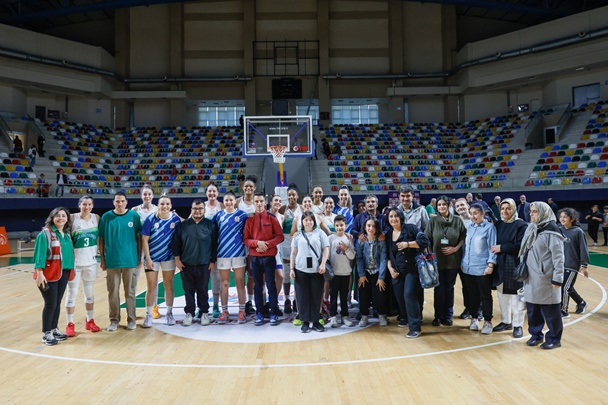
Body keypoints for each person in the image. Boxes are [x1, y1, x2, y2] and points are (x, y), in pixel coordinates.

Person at [519, 202, 565, 350]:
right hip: (530, 276)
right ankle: (536, 335)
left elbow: (559, 258)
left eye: (535, 211)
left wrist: (558, 278)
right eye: (531, 211)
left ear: (543, 213)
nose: (531, 214)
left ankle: (554, 339)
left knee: (550, 310)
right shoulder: (531, 228)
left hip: (546, 278)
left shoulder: (552, 231)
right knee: (533, 309)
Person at [98, 192, 142, 331]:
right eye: (117, 201)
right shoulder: (106, 217)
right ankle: (114, 320)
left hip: (130, 260)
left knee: (130, 292)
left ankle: (131, 320)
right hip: (112, 261)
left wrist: (139, 258)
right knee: (113, 292)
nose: (120, 204)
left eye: (122, 201)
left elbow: (139, 238)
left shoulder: (134, 216)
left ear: (126, 202)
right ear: (113, 202)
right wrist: (102, 259)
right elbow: (101, 239)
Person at [172, 200, 218, 326]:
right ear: (191, 210)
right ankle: (189, 313)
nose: (197, 211)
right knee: (188, 290)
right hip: (186, 264)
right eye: (195, 208)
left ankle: (204, 313)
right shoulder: (182, 226)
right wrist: (177, 260)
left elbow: (214, 245)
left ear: (204, 210)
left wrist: (212, 261)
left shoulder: (210, 225)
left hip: (204, 264)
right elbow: (176, 244)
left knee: (203, 290)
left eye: (200, 208)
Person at [34, 207, 74, 345]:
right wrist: (39, 273)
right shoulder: (45, 234)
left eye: (63, 216)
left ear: (67, 219)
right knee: (50, 304)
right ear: (52, 218)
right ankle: (47, 333)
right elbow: (39, 255)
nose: (61, 218)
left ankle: (54, 328)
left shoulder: (66, 234)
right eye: (57, 215)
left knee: (57, 302)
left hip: (63, 272)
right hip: (48, 274)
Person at [244, 193, 285, 326]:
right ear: (254, 203)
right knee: (258, 286)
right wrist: (257, 243)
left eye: (261, 201)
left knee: (271, 285)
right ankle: (260, 313)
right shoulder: (249, 219)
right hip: (255, 258)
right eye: (257, 201)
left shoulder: (272, 218)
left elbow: (280, 236)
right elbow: (246, 239)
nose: (259, 204)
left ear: (265, 202)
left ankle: (273, 312)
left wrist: (267, 244)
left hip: (269, 257)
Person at [425, 195, 466, 327]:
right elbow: (427, 239)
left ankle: (448, 315)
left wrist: (455, 249)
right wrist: (430, 256)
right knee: (438, 289)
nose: (441, 207)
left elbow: (463, 237)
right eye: (439, 205)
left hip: (453, 260)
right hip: (437, 261)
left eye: (444, 204)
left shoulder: (457, 220)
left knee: (449, 288)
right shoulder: (432, 221)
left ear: (449, 206)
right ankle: (438, 316)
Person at [141, 195, 182, 327]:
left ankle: (169, 313)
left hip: (168, 258)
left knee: (168, 284)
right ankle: (148, 314)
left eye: (167, 204)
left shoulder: (175, 220)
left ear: (171, 206)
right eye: (162, 204)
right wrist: (148, 258)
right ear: (158, 205)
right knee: (151, 286)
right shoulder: (151, 219)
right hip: (152, 258)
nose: (165, 206)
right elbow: (144, 240)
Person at [386, 208, 427, 338]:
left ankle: (415, 327)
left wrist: (408, 244)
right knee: (400, 296)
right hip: (397, 272)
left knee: (409, 294)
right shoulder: (388, 234)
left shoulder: (411, 228)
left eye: (396, 216)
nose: (393, 219)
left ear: (401, 217)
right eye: (391, 216)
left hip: (412, 269)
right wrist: (390, 269)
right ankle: (406, 317)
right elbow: (388, 255)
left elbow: (425, 241)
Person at [490, 198, 527, 338]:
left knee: (517, 298)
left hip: (514, 265)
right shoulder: (498, 225)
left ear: (513, 209)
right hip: (501, 265)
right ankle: (506, 321)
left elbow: (521, 245)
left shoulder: (521, 225)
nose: (505, 211)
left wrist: (502, 248)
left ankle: (518, 325)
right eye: (502, 209)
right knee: (502, 296)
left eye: (508, 208)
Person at [64, 195, 101, 337]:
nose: (87, 207)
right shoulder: (72, 218)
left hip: (91, 262)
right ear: (79, 205)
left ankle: (89, 320)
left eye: (89, 204)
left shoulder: (96, 218)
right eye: (84, 204)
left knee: (89, 293)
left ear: (93, 206)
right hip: (75, 264)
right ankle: (70, 323)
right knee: (72, 293)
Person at [290, 212, 330, 333]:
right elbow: (293, 253)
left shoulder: (320, 233)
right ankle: (305, 321)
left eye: (310, 220)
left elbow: (326, 249)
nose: (308, 222)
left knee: (316, 296)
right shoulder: (297, 235)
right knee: (302, 297)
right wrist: (291, 269)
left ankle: (316, 321)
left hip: (316, 270)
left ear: (314, 222)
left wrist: (323, 263)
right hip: (300, 270)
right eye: (306, 220)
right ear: (302, 222)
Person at [213, 192, 249, 324]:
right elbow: (213, 233)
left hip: (239, 253)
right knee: (224, 283)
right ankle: (224, 311)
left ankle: (242, 310)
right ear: (223, 202)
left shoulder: (242, 215)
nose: (228, 203)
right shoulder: (218, 215)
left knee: (240, 282)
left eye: (231, 200)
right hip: (222, 253)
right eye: (226, 200)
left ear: (235, 202)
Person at [461, 203, 497, 335]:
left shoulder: (489, 228)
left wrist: (491, 264)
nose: (473, 216)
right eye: (471, 213)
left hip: (482, 268)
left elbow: (493, 247)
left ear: (483, 214)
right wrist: (463, 261)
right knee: (472, 295)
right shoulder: (470, 227)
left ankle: (487, 321)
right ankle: (474, 318)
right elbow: (466, 247)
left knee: (485, 296)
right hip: (468, 268)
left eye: (475, 213)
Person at [131, 186, 159, 318]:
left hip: (152, 247)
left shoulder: (157, 210)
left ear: (153, 196)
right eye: (145, 194)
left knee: (153, 280)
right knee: (134, 279)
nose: (147, 196)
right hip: (137, 247)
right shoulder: (135, 210)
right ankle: (132, 309)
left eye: (149, 194)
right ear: (141, 196)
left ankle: (154, 308)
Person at [356, 218, 388, 327]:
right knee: (363, 294)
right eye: (368, 226)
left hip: (377, 272)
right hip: (365, 272)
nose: (371, 228)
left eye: (373, 226)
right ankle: (364, 316)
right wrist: (361, 275)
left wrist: (381, 277)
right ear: (365, 227)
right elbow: (359, 258)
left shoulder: (381, 240)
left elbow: (383, 258)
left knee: (380, 294)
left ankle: (381, 315)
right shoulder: (361, 240)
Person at [558, 208, 590, 318]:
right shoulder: (559, 230)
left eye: (565, 217)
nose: (562, 219)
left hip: (571, 265)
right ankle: (581, 302)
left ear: (572, 219)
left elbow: (583, 249)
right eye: (561, 217)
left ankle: (563, 311)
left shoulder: (578, 231)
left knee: (565, 287)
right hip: (559, 264)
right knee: (568, 287)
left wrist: (584, 265)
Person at [327, 215, 356, 328]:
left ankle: (345, 316)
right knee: (333, 296)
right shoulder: (330, 238)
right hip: (334, 273)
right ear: (334, 226)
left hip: (345, 272)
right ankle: (333, 316)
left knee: (344, 296)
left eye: (341, 225)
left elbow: (352, 256)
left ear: (346, 225)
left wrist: (346, 249)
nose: (339, 228)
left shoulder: (349, 239)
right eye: (337, 225)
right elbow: (327, 255)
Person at [279, 184, 302, 315]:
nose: (291, 197)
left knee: (298, 272)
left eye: (294, 195)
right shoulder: (283, 209)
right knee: (287, 273)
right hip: (286, 244)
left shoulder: (302, 208)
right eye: (289, 195)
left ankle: (296, 300)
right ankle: (287, 299)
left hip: (299, 244)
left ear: (297, 196)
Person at [236, 175, 257, 315]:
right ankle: (241, 304)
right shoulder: (238, 202)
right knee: (240, 274)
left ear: (254, 188)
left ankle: (250, 302)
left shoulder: (258, 202)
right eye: (246, 186)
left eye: (251, 186)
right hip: (239, 242)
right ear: (243, 188)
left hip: (253, 242)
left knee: (252, 274)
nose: (248, 188)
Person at [204, 184, 224, 318]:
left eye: (214, 191)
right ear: (206, 193)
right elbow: (189, 221)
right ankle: (202, 306)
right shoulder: (201, 206)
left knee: (216, 277)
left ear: (217, 193)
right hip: (202, 247)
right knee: (202, 278)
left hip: (217, 246)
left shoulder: (222, 206)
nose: (212, 193)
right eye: (209, 191)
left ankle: (216, 306)